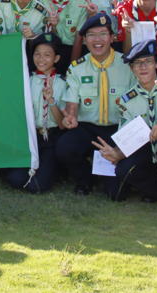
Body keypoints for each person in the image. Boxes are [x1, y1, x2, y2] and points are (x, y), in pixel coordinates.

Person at [92, 40, 157, 209]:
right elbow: (130, 136)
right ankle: (154, 189)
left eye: (148, 61)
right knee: (122, 172)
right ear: (132, 69)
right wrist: (117, 154)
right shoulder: (127, 99)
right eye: (137, 63)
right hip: (147, 148)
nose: (143, 67)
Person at [56, 13, 135, 195]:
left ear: (112, 38)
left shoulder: (127, 66)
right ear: (84, 40)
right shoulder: (77, 68)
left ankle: (112, 174)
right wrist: (70, 118)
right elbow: (72, 106)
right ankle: (85, 179)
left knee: (116, 194)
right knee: (65, 147)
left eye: (103, 34)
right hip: (88, 129)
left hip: (118, 130)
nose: (97, 40)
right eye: (91, 35)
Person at [5, 33, 66, 193]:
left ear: (56, 58)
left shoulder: (63, 83)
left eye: (47, 55)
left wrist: (51, 100)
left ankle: (55, 169)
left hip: (51, 138)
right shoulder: (27, 81)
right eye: (37, 54)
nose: (41, 59)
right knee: (15, 179)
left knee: (37, 187)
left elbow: (62, 124)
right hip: (31, 138)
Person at [36, 0, 92, 73]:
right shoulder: (41, 0)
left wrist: (72, 68)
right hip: (47, 51)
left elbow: (78, 38)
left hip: (75, 50)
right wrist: (52, 26)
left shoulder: (81, 0)